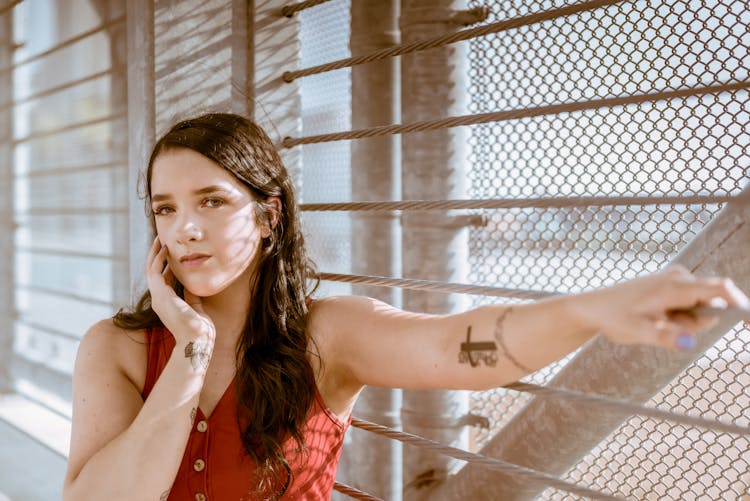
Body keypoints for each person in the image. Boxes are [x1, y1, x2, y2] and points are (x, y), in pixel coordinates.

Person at [62, 113, 749, 501]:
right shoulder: (116, 348)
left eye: (212, 201)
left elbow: (459, 345)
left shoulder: (327, 335)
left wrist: (596, 308)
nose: (185, 229)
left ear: (268, 218)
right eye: (166, 208)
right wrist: (189, 354)